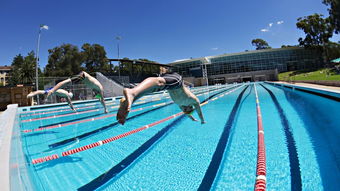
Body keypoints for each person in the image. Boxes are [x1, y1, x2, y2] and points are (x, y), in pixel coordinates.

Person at [117, 69, 205, 125]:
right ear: (190, 107)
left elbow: (188, 113)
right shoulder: (194, 100)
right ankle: (131, 92)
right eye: (186, 110)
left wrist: (192, 118)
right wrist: (202, 120)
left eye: (184, 111)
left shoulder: (181, 105)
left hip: (169, 86)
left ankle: (128, 101)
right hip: (177, 81)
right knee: (159, 82)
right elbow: (199, 111)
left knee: (150, 90)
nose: (184, 110)